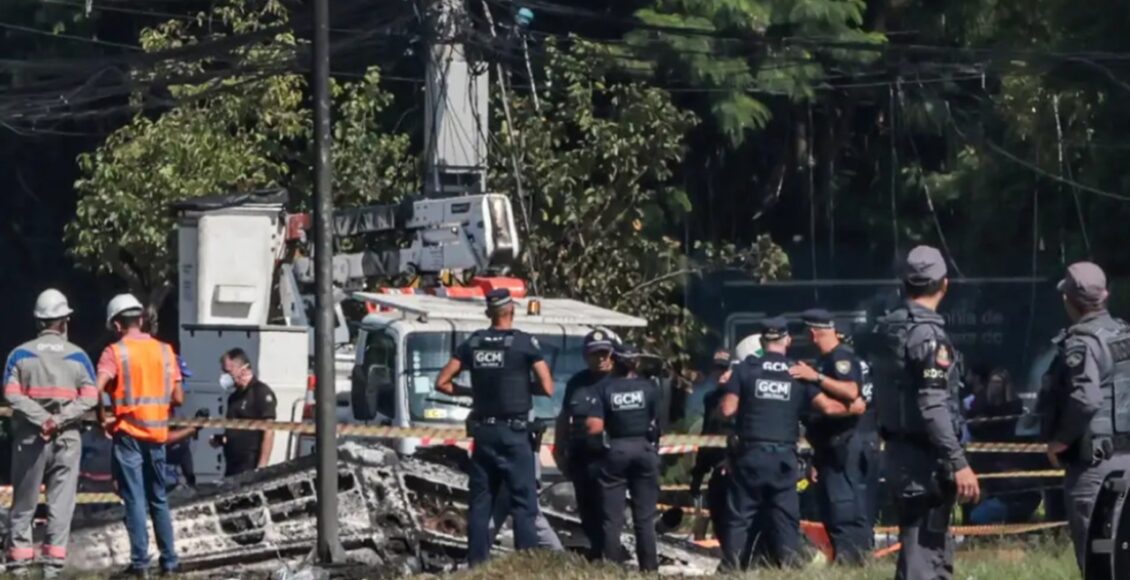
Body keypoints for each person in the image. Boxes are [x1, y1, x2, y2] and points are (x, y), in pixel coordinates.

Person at [718, 317, 864, 571]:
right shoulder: (798, 372)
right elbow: (829, 407)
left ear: (763, 341)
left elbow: (728, 409)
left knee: (739, 517)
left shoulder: (744, 369)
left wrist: (729, 390)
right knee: (785, 518)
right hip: (784, 458)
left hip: (750, 455)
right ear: (786, 340)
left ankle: (732, 570)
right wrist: (855, 408)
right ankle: (788, 569)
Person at [873, 246, 979, 580]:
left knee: (919, 551)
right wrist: (959, 462)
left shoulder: (890, 329)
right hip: (924, 462)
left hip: (900, 454)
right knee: (925, 555)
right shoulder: (928, 336)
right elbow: (932, 405)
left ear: (904, 284)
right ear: (943, 285)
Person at [434, 288, 554, 566]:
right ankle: (526, 566)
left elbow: (442, 382)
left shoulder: (473, 342)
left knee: (480, 504)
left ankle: (478, 565)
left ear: (489, 312)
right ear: (511, 310)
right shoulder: (524, 344)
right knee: (524, 503)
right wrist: (523, 388)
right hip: (515, 434)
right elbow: (547, 387)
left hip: (484, 435)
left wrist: (470, 391)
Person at [1037, 261, 1130, 570]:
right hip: (1127, 463)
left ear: (1068, 299)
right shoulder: (1124, 335)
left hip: (1096, 469)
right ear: (1105, 295)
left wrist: (1061, 441)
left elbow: (1085, 399)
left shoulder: (1081, 343)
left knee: (1098, 561)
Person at [3, 289, 98, 577]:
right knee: (61, 504)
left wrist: (41, 418)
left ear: (39, 322)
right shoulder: (79, 356)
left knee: (24, 502)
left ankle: (19, 566)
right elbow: (91, 397)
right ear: (64, 321)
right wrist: (59, 419)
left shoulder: (19, 354)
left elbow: (11, 394)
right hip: (67, 438)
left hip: (31, 437)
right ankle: (52, 568)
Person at [96, 294, 182, 577]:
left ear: (117, 324)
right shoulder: (165, 351)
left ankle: (141, 565)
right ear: (142, 319)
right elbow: (178, 397)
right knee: (159, 499)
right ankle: (170, 563)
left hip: (129, 434)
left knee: (134, 499)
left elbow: (97, 388)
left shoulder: (115, 352)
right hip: (157, 434)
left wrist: (102, 418)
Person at [790, 308, 869, 565]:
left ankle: (852, 558)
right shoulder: (824, 360)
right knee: (829, 505)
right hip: (825, 447)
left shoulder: (840, 358)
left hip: (842, 444)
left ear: (814, 333)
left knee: (842, 503)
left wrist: (817, 377)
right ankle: (842, 556)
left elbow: (851, 390)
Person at [580, 343, 661, 571]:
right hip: (645, 451)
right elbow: (656, 422)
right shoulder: (649, 388)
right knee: (644, 519)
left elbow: (593, 427)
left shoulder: (604, 389)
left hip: (616, 451)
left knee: (612, 519)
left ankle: (612, 570)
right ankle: (650, 570)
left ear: (614, 360)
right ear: (636, 362)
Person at [553, 328, 617, 559]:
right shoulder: (577, 382)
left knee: (609, 511)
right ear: (585, 356)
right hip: (581, 455)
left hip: (609, 457)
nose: (600, 358)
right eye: (595, 354)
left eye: (604, 353)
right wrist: (559, 450)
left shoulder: (619, 381)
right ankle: (597, 554)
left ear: (612, 354)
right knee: (587, 510)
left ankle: (611, 557)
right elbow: (564, 416)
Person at [208, 349, 277, 477]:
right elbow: (235, 431)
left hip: (250, 464)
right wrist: (221, 439)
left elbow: (269, 432)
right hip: (232, 466)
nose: (224, 376)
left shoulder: (260, 392)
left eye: (228, 372)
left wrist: (262, 467)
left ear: (243, 369)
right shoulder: (233, 398)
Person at [689, 354, 732, 546]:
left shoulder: (745, 397)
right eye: (717, 369)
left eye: (725, 369)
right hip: (716, 466)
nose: (720, 375)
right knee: (717, 512)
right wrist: (698, 474)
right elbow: (707, 434)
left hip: (739, 465)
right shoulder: (711, 398)